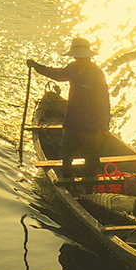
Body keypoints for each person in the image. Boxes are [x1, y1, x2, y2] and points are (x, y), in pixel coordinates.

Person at [28, 37, 110, 178]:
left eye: (81, 57)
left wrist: (104, 126)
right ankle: (67, 182)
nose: (78, 59)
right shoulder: (73, 68)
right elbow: (58, 75)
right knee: (66, 157)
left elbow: (104, 101)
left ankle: (91, 188)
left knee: (91, 160)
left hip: (89, 125)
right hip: (71, 122)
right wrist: (37, 66)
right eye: (77, 57)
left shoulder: (96, 74)